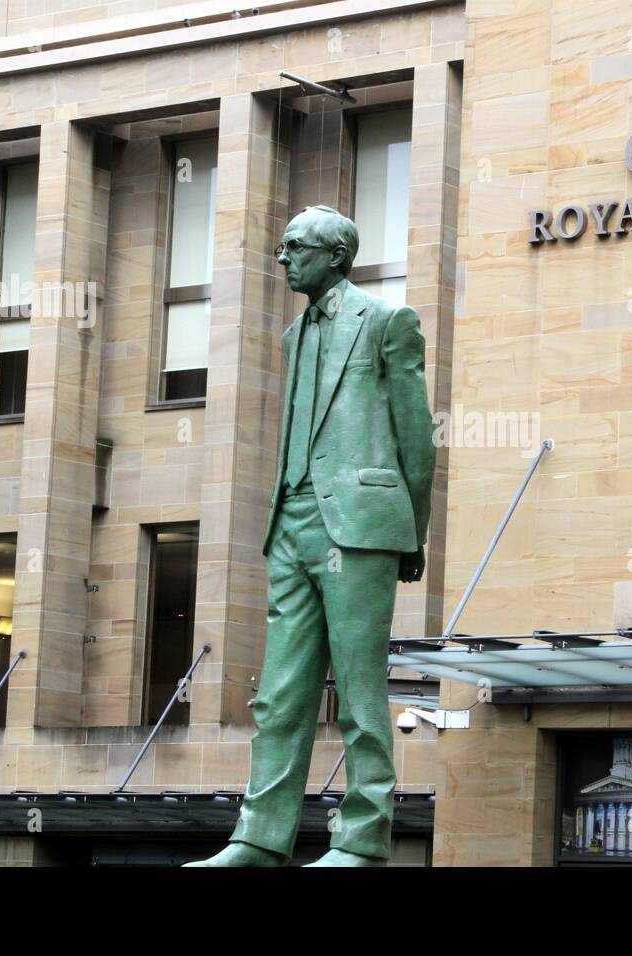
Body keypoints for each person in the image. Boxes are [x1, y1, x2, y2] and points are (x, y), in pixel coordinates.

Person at [185, 206, 435, 867]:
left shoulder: (387, 322)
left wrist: (413, 533)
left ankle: (361, 838)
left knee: (358, 689)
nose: (283, 257)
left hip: (359, 525)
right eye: (283, 246)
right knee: (281, 693)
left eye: (295, 247)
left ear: (334, 255)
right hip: (291, 522)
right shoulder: (294, 335)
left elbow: (417, 434)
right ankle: (259, 838)